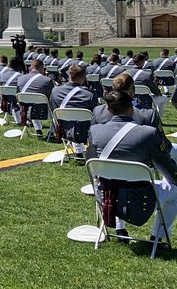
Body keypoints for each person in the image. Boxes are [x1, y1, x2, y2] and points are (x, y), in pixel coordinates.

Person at [88, 90, 177, 243]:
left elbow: (91, 163)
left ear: (109, 110)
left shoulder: (95, 131)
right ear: (132, 108)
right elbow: (164, 163)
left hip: (106, 194)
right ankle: (158, 238)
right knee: (175, 192)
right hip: (141, 196)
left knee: (114, 179)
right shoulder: (148, 133)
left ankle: (119, 227)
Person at [50, 64, 97, 159]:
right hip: (85, 131)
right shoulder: (89, 94)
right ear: (83, 77)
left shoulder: (55, 91)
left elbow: (53, 110)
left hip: (63, 128)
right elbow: (95, 114)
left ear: (68, 75)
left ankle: (77, 149)